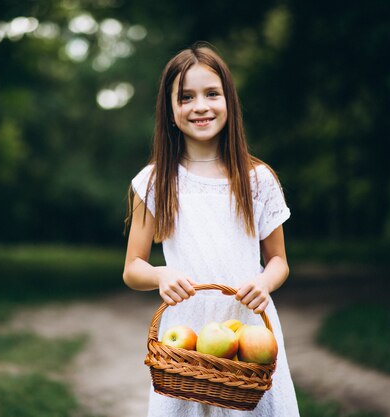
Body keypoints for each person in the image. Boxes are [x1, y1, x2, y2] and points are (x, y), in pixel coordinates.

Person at [122, 42, 300, 416]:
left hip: (250, 331)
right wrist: (160, 275)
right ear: (170, 111)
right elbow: (133, 268)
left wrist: (265, 282)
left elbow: (279, 261)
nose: (200, 106)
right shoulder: (154, 182)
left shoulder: (258, 179)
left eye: (211, 94)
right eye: (185, 97)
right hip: (185, 340)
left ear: (229, 103)